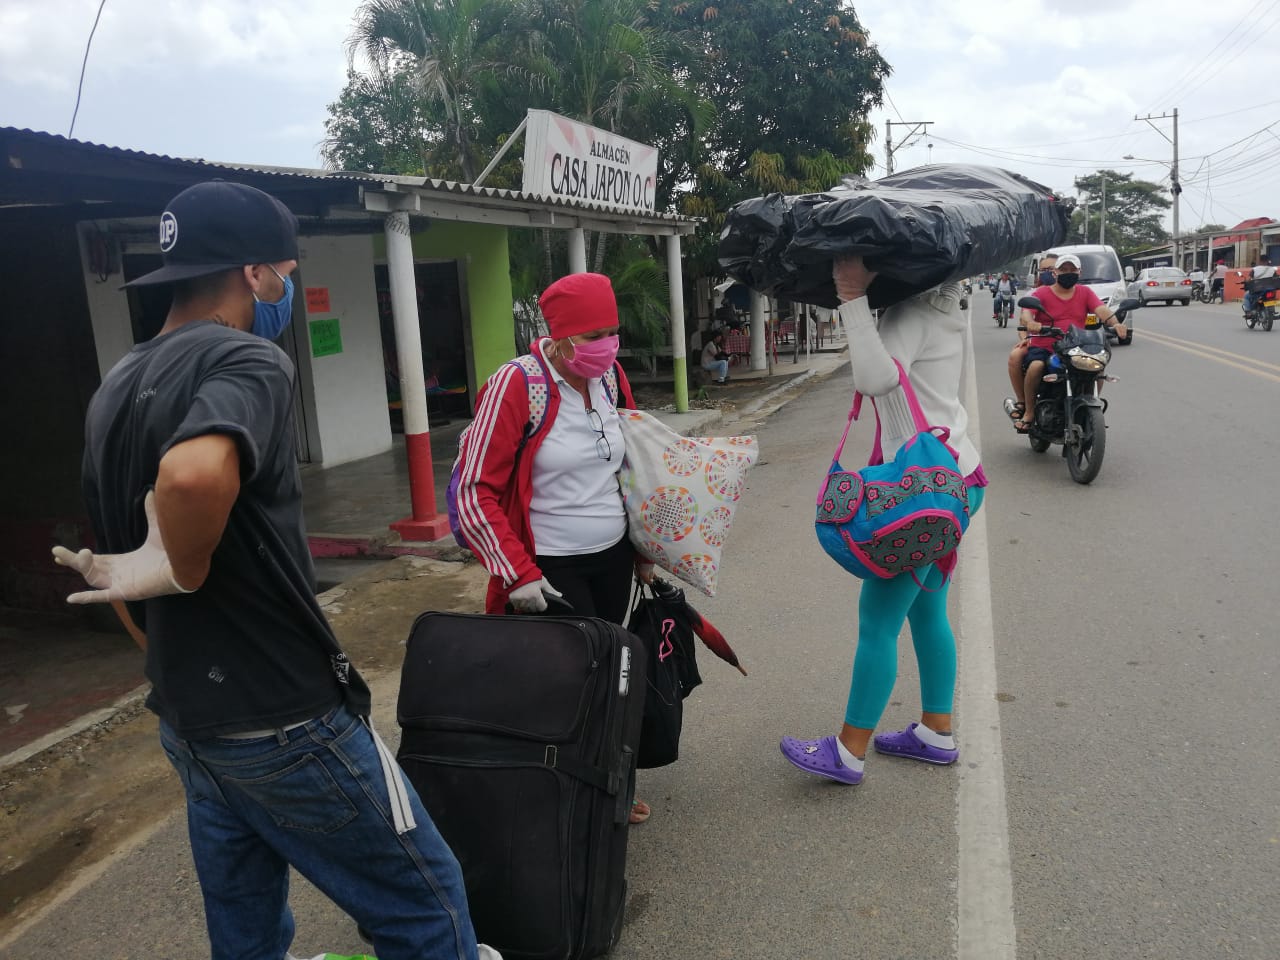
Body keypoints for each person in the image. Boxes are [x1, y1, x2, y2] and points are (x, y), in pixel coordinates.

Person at [51, 182, 499, 960]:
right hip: (287, 718)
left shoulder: (117, 383)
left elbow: (116, 575)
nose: (285, 290)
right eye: (285, 273)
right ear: (254, 273)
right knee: (426, 904)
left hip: (191, 722)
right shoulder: (245, 356)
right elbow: (191, 479)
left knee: (248, 925)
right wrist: (180, 566)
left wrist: (164, 599)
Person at [779, 256, 988, 785]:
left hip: (921, 496)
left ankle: (848, 752)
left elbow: (875, 380)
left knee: (878, 622)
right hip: (954, 481)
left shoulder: (910, 315)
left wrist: (851, 296)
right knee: (927, 613)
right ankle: (935, 731)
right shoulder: (945, 308)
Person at [453, 271, 653, 824]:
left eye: (611, 332)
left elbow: (632, 467)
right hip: (549, 567)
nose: (607, 345)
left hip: (611, 556)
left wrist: (644, 549)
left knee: (614, 673)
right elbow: (475, 489)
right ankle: (563, 797)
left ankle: (611, 779)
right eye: (594, 336)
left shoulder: (610, 378)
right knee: (565, 686)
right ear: (561, 338)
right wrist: (516, 573)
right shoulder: (517, 385)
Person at [1013, 253, 1126, 432]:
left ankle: (1090, 403)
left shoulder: (1085, 292)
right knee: (1035, 367)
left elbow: (1101, 310)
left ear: (1079, 272)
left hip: (1074, 346)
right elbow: (1027, 313)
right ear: (1055, 273)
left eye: (1072, 269)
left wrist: (1116, 323)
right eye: (1063, 269)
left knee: (1098, 367)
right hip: (1046, 346)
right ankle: (1029, 411)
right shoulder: (1041, 292)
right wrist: (1031, 323)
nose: (1068, 273)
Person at [1005, 254, 1056, 427]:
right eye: (1044, 270)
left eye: (1052, 269)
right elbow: (1024, 321)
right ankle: (1023, 403)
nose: (1048, 273)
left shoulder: (1077, 291)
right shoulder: (1034, 294)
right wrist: (1026, 339)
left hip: (1066, 343)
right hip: (1038, 340)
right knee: (1016, 355)